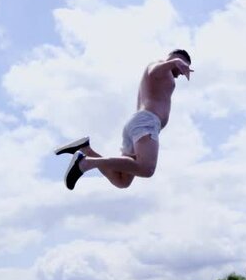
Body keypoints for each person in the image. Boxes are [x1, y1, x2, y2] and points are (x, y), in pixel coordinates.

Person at [54, 49, 193, 189]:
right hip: (146, 123)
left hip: (139, 125)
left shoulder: (165, 72)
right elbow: (153, 71)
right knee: (147, 169)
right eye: (184, 67)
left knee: (122, 181)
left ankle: (85, 150)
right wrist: (176, 62)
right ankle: (85, 163)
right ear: (178, 58)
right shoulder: (160, 66)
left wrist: (176, 63)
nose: (182, 73)